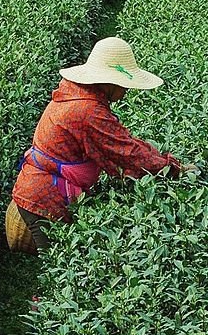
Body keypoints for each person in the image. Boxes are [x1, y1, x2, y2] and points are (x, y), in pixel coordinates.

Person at [10, 38, 195, 253]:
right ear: (109, 83)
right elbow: (128, 153)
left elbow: (125, 142)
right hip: (43, 199)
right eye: (124, 85)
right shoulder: (87, 110)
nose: (126, 91)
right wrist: (174, 170)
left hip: (41, 188)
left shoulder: (77, 96)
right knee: (57, 263)